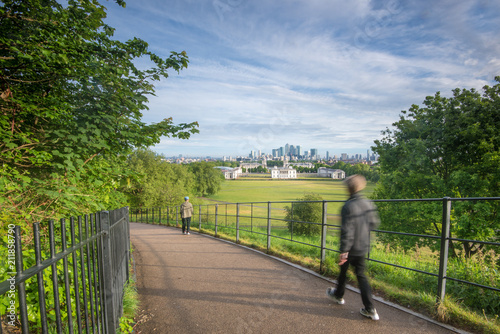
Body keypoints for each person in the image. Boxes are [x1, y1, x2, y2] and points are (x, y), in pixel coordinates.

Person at [326, 174, 381, 321]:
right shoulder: (368, 203)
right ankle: (370, 309)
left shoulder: (348, 206)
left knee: (343, 270)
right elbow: (374, 223)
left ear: (348, 189)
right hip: (362, 246)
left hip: (350, 248)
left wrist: (344, 251)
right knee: (361, 276)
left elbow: (347, 231)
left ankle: (338, 295)